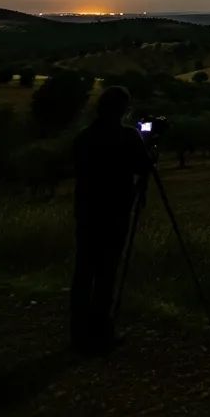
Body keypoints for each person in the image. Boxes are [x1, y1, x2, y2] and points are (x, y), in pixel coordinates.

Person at [70, 85, 151, 355]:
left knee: (83, 271)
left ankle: (78, 332)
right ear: (123, 109)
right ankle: (101, 331)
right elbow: (143, 167)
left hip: (86, 212)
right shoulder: (128, 137)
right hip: (115, 213)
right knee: (106, 273)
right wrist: (150, 149)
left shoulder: (84, 137)